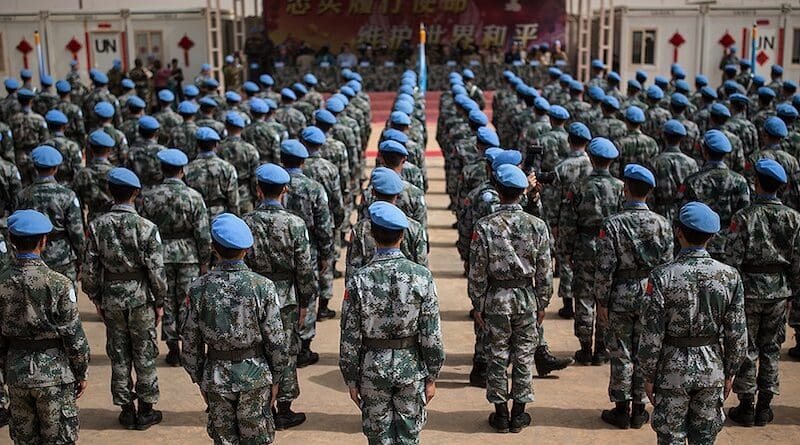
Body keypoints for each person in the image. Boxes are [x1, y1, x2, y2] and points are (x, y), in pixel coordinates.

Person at [638, 201, 747, 444]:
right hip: (712, 369)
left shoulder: (662, 276)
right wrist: (730, 371)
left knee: (671, 438)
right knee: (705, 438)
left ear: (679, 232)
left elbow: (651, 333)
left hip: (671, 369)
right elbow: (737, 334)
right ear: (711, 236)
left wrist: (647, 373)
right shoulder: (730, 276)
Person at [340, 201, 445, 444]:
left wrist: (351, 378)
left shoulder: (359, 279)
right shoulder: (421, 277)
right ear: (403, 235)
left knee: (378, 437)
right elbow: (431, 334)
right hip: (410, 368)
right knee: (409, 436)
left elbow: (349, 336)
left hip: (372, 368)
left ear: (372, 235)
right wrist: (432, 375)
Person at [182, 213, 289, 444]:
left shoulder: (198, 288)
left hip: (216, 375)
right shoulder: (263, 287)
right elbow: (277, 340)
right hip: (255, 376)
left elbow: (190, 341)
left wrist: (199, 377)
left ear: (213, 248)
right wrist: (277, 376)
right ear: (246, 249)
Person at [82, 167, 167, 430]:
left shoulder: (97, 226)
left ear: (110, 192)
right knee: (144, 352)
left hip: (112, 299)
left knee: (118, 353)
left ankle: (126, 408)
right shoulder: (146, 227)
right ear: (136, 193)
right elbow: (156, 270)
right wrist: (160, 300)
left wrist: (96, 297)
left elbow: (90, 269)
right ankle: (146, 409)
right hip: (140, 297)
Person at [469, 164, 551, 433]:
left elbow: (478, 270)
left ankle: (501, 414)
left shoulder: (484, 226)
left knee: (497, 356)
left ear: (498, 191)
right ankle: (519, 414)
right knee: (524, 355)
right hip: (526, 297)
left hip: (495, 298)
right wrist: (543, 301)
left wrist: (477, 303)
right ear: (522, 192)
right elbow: (545, 269)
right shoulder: (537, 225)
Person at [0, 209, 90, 444]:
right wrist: (81, 372)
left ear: (11, 241)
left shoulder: (2, 282)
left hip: (17, 372)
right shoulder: (59, 283)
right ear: (43, 241)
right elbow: (74, 335)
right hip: (54, 375)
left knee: (24, 440)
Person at [595, 165, 674, 429]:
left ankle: (621, 408)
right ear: (650, 191)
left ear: (625, 189)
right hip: (651, 293)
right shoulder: (663, 223)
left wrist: (601, 301)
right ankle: (640, 409)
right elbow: (668, 266)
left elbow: (605, 266)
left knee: (621, 351)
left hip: (620, 293)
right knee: (646, 350)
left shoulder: (613, 224)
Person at [725, 159, 800, 426]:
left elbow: (732, 258)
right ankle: (765, 407)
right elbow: (798, 261)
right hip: (779, 290)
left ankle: (746, 405)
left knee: (748, 347)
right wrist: (793, 293)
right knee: (771, 347)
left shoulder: (743, 217)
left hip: (748, 289)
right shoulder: (794, 218)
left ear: (756, 183)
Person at [242, 163, 315, 430]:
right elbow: (304, 267)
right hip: (285, 297)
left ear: (258, 190)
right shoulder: (295, 224)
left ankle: (260, 404)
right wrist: (306, 301)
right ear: (285, 189)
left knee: (257, 348)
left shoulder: (246, 222)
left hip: (253, 293)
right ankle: (283, 408)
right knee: (285, 350)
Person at [139, 149, 211, 367]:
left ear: (162, 169)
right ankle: (188, 346)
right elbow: (202, 233)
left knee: (166, 299)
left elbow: (143, 229)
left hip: (160, 253)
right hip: (188, 254)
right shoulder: (194, 197)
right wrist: (205, 261)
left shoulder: (149, 197)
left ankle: (173, 349)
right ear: (182, 170)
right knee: (188, 301)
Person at [559, 137, 623, 365]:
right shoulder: (621, 188)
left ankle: (585, 349)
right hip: (612, 247)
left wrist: (566, 250)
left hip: (585, 244)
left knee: (584, 296)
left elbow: (567, 221)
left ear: (592, 159)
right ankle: (601, 349)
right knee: (605, 296)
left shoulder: (579, 186)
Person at [280, 139, 334, 368]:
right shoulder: (313, 188)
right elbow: (324, 224)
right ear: (303, 162)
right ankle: (304, 344)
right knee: (307, 292)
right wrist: (326, 253)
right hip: (308, 246)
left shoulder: (272, 183)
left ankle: (281, 339)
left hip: (278, 248)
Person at [17, 146, 85, 285]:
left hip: (33, 255)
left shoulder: (23, 195)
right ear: (56, 168)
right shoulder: (67, 196)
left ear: (35, 167)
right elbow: (77, 232)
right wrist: (82, 259)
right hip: (62, 258)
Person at [185, 127, 239, 218]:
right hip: (221, 214)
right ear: (216, 145)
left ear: (197, 145)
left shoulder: (188, 169)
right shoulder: (227, 167)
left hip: (197, 215)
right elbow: (233, 199)